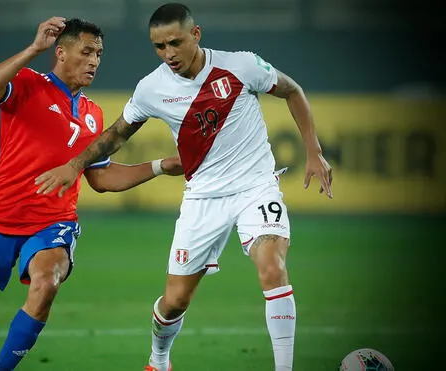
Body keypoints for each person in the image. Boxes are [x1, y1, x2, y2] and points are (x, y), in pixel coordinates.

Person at [34, 3, 334, 371]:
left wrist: (314, 151)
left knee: (272, 266)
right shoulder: (152, 87)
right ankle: (159, 360)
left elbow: (292, 91)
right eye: (159, 47)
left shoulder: (241, 65)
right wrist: (75, 165)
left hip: (256, 187)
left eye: (175, 43)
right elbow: (115, 135)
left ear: (196, 34)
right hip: (203, 198)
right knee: (174, 302)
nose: (168, 54)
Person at [0, 17, 182, 370]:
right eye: (86, 51)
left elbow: (102, 178)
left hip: (52, 222)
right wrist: (32, 49)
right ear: (60, 52)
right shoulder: (28, 83)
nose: (94, 61)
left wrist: (160, 166)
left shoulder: (92, 113)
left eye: (99, 54)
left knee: (47, 283)